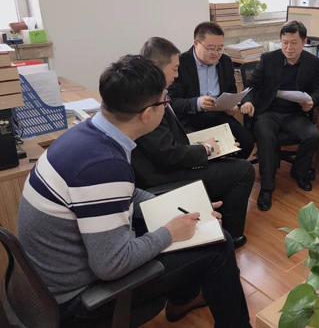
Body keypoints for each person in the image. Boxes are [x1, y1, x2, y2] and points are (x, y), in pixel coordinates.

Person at [17, 55, 251, 327]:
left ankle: (183, 299)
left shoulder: (89, 133)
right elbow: (111, 264)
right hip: (78, 302)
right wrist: (169, 233)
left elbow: (128, 193)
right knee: (217, 245)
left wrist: (185, 205)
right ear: (147, 114)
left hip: (50, 280)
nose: (167, 105)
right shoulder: (104, 166)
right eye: (165, 101)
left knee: (196, 232)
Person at [133, 37, 254, 248]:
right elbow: (168, 154)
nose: (176, 75)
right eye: (174, 69)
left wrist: (205, 146)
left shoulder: (149, 91)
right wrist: (206, 149)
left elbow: (168, 141)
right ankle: (230, 237)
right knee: (244, 170)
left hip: (169, 159)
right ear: (158, 69)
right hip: (163, 175)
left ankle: (215, 222)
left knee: (233, 149)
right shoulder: (148, 101)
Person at [240, 21, 319, 211]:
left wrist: (312, 101)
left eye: (294, 43)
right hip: (268, 112)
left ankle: (299, 172)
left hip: (294, 114)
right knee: (266, 136)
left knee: (313, 135)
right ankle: (267, 187)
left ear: (304, 41)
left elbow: (317, 89)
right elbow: (253, 86)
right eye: (285, 42)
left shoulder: (312, 62)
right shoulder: (268, 59)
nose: (289, 48)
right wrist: (247, 101)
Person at [167, 22, 255, 160]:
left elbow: (231, 90)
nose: (216, 53)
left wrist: (231, 105)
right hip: (190, 119)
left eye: (220, 48)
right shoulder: (181, 63)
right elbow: (173, 101)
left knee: (246, 142)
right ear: (196, 44)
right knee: (208, 152)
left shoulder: (225, 61)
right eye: (211, 48)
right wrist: (198, 103)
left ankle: (232, 169)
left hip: (218, 115)